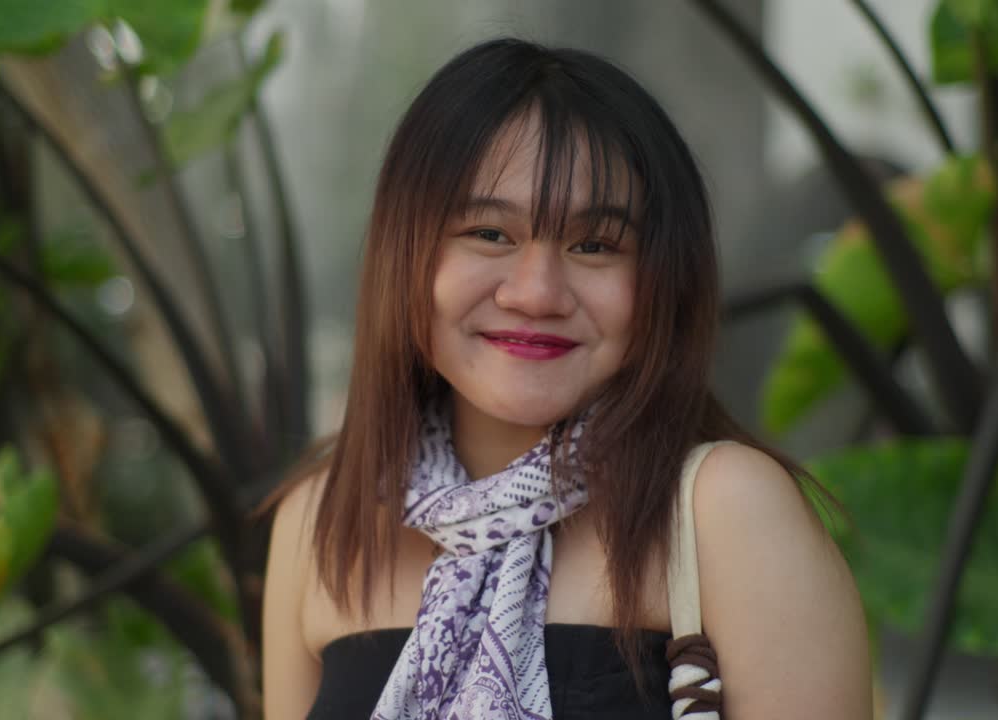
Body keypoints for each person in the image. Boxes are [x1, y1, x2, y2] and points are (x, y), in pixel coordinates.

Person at [262, 37, 871, 720]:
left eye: (594, 245)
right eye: (489, 233)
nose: (536, 294)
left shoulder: (725, 509)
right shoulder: (318, 523)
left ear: (663, 279)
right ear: (404, 251)